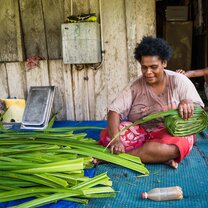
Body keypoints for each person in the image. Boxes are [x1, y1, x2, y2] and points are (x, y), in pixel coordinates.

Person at [98, 36, 204, 169]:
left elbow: (198, 110)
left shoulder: (179, 81)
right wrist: (116, 140)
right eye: (144, 67)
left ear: (164, 63)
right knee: (110, 135)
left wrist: (187, 102)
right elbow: (114, 111)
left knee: (176, 146)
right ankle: (154, 156)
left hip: (171, 132)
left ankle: (118, 159)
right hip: (143, 131)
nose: (148, 72)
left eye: (154, 67)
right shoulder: (135, 86)